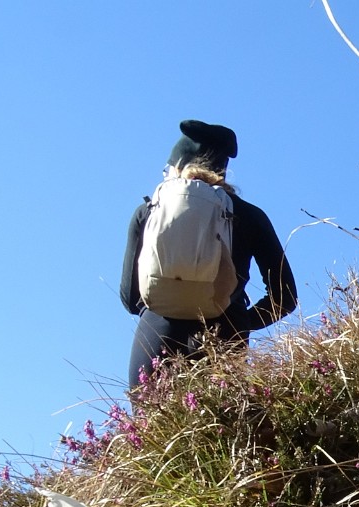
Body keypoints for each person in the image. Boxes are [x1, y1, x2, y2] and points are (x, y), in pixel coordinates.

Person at [120, 120, 297, 389]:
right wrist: (241, 322)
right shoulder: (249, 215)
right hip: (225, 335)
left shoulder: (148, 212)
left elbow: (131, 298)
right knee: (223, 429)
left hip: (157, 335)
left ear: (179, 167)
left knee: (152, 426)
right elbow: (285, 296)